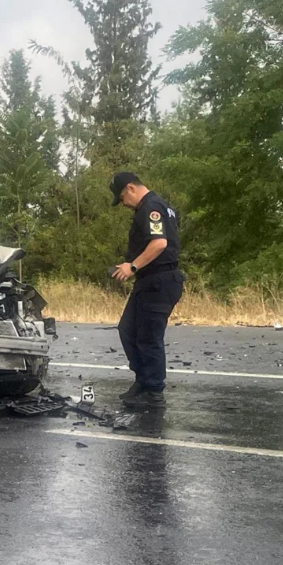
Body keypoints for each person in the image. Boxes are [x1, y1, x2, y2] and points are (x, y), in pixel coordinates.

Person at [108, 172, 184, 408]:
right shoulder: (155, 207)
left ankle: (154, 392)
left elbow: (159, 243)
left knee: (149, 337)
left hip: (160, 281)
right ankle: (143, 381)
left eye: (121, 198)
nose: (123, 204)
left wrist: (132, 266)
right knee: (128, 330)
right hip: (150, 280)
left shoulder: (151, 206)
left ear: (130, 188)